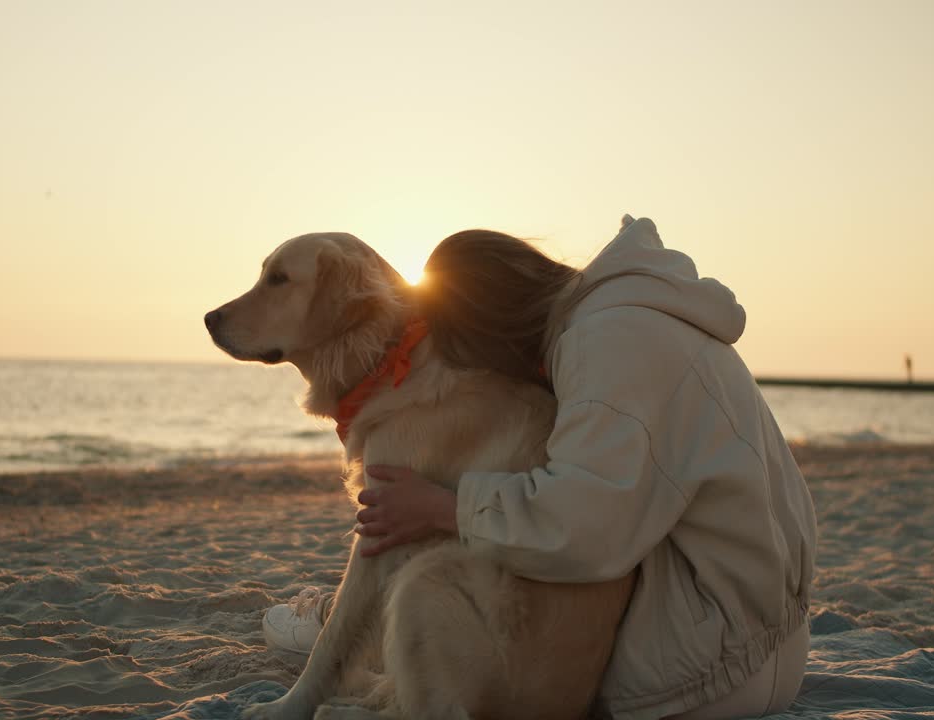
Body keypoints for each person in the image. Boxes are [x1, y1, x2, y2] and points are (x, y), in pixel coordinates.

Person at [262, 215, 817, 720]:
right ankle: (349, 637)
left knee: (445, 569)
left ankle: (345, 641)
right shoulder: (634, 317)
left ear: (491, 326)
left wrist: (446, 507)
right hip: (758, 636)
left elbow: (584, 527)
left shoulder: (610, 343)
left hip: (711, 668)